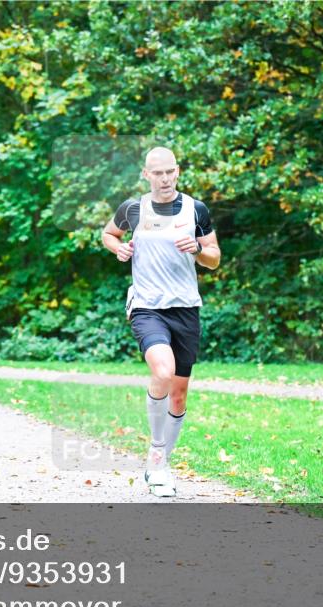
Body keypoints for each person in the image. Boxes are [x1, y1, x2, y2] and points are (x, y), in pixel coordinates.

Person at [101, 147, 221, 497]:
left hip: (185, 308)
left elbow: (214, 258)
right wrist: (118, 249)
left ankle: (160, 466)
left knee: (179, 396)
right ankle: (156, 452)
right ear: (146, 175)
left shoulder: (195, 209)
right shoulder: (132, 209)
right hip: (147, 306)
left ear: (178, 172)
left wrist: (198, 250)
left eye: (170, 172)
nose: (165, 179)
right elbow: (109, 234)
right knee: (163, 373)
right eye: (158, 173)